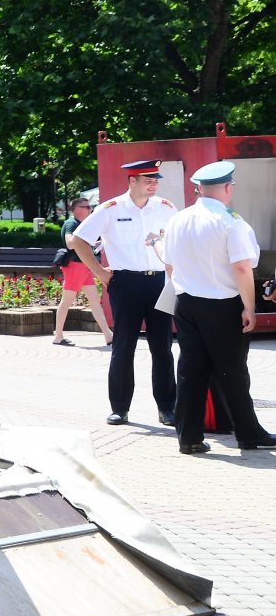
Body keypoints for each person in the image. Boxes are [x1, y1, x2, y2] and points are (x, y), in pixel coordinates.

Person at [161, 161, 275, 455]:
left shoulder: (178, 219)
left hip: (186, 302)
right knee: (232, 371)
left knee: (190, 370)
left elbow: (169, 263)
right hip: (223, 305)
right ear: (227, 188)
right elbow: (241, 267)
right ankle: (248, 434)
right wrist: (249, 307)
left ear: (200, 189)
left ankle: (189, 437)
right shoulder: (231, 221)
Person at [68, 160, 178, 426]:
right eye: (148, 180)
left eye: (156, 180)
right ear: (132, 181)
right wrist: (99, 273)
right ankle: (120, 408)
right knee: (123, 347)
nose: (154, 185)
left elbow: (178, 240)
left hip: (160, 283)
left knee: (162, 348)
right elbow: (80, 240)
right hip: (125, 283)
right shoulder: (111, 209)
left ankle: (167, 408)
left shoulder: (166, 208)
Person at [52, 197, 114, 346]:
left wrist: (94, 242)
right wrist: (85, 240)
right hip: (75, 266)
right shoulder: (71, 223)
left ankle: (108, 335)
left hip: (83, 266)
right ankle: (58, 336)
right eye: (86, 207)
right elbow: (70, 243)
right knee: (67, 301)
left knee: (94, 302)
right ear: (77, 209)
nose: (90, 209)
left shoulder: (80, 224)